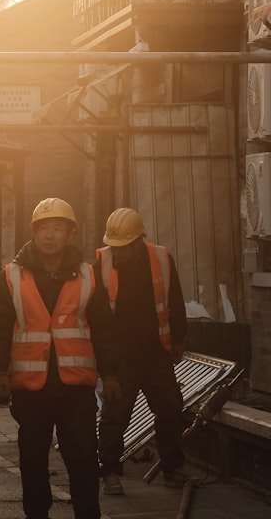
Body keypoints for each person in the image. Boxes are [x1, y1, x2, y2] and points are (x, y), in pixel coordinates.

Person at [0, 198, 117, 519]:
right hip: (30, 388)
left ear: (70, 235)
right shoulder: (11, 276)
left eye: (57, 229)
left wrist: (112, 374)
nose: (50, 235)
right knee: (33, 461)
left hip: (76, 389)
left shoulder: (88, 276)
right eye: (44, 229)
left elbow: (104, 328)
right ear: (35, 234)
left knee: (83, 460)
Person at [96, 207, 191, 495]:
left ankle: (172, 468)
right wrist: (106, 368)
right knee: (115, 415)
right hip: (120, 357)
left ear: (139, 241)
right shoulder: (101, 264)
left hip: (155, 353)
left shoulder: (161, 258)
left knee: (170, 409)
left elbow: (175, 297)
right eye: (114, 246)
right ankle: (110, 472)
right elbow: (98, 318)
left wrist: (178, 339)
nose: (118, 253)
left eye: (123, 247)